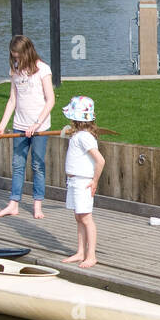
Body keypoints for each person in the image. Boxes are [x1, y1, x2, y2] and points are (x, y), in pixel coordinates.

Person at [0, 35, 55, 219]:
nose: (16, 60)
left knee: (37, 165)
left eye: (19, 56)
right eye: (14, 57)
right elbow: (12, 100)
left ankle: (37, 205)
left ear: (27, 52)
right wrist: (1, 126)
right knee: (18, 164)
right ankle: (13, 203)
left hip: (40, 127)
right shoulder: (15, 70)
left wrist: (37, 124)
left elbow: (50, 100)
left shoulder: (43, 70)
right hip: (19, 126)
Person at [60, 97, 105, 268]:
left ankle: (91, 255)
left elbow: (100, 161)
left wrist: (94, 181)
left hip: (82, 182)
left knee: (86, 218)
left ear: (76, 118)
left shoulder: (84, 137)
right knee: (78, 217)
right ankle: (80, 252)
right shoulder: (79, 135)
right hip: (73, 181)